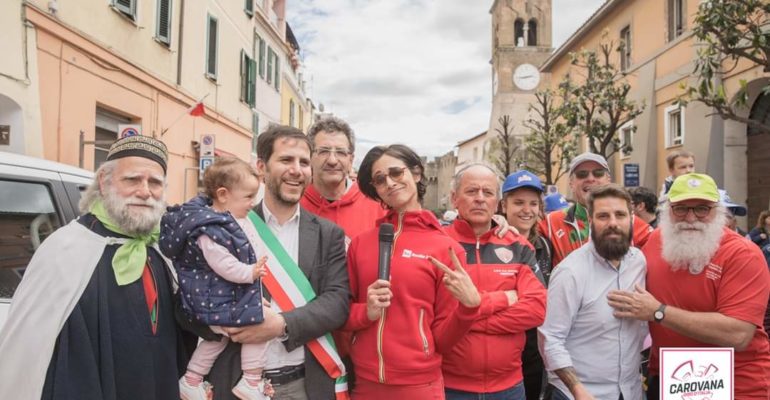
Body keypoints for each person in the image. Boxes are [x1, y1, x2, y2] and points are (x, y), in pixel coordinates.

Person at [0, 135, 192, 399]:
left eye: (155, 183)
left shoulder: (161, 248)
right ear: (104, 182)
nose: (145, 191)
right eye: (132, 179)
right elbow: (39, 354)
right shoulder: (65, 249)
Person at [207, 125, 350, 400]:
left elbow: (337, 302)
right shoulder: (222, 226)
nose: (297, 170)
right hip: (235, 382)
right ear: (261, 167)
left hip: (303, 384)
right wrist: (223, 318)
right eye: (286, 160)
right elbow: (191, 292)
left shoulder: (328, 234)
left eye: (304, 162)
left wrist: (281, 325)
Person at [608, 173, 770, 399]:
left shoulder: (743, 254)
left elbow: (739, 334)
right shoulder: (656, 242)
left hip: (735, 383)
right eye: (681, 209)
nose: (691, 218)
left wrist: (658, 311)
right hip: (671, 378)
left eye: (702, 209)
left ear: (718, 212)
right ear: (667, 211)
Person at [345, 144, 481, 399]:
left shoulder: (446, 248)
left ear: (416, 173)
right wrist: (367, 312)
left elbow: (442, 340)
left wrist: (469, 309)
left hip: (420, 387)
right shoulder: (360, 244)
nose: (390, 182)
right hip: (365, 384)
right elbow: (342, 312)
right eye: (380, 179)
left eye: (396, 172)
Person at [161, 157, 274, 400]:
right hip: (215, 300)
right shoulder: (210, 228)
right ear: (223, 195)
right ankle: (251, 381)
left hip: (215, 299)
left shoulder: (223, 222)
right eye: (248, 197)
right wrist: (250, 273)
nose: (252, 203)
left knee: (216, 340)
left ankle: (192, 379)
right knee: (260, 323)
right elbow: (223, 265)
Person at [442, 164, 547, 400]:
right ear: (454, 198)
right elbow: (439, 313)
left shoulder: (519, 246)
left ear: (497, 202)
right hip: (450, 387)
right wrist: (503, 299)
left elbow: (536, 310)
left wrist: (470, 313)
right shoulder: (438, 244)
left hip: (509, 387)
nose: (480, 199)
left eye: (488, 192)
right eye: (471, 191)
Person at [539, 184, 647, 400]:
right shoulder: (571, 272)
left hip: (630, 390)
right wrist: (578, 390)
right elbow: (550, 339)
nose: (613, 223)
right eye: (603, 216)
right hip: (580, 393)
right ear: (590, 221)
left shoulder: (638, 261)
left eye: (620, 215)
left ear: (631, 219)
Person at [538, 152, 652, 266]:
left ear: (608, 180)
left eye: (598, 173)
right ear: (571, 183)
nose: (590, 178)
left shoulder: (630, 222)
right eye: (582, 174)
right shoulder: (551, 222)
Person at [300, 116, 386, 244]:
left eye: (341, 152)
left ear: (351, 160)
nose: (332, 161)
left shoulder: (377, 205)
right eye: (324, 151)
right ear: (310, 156)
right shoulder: (294, 203)